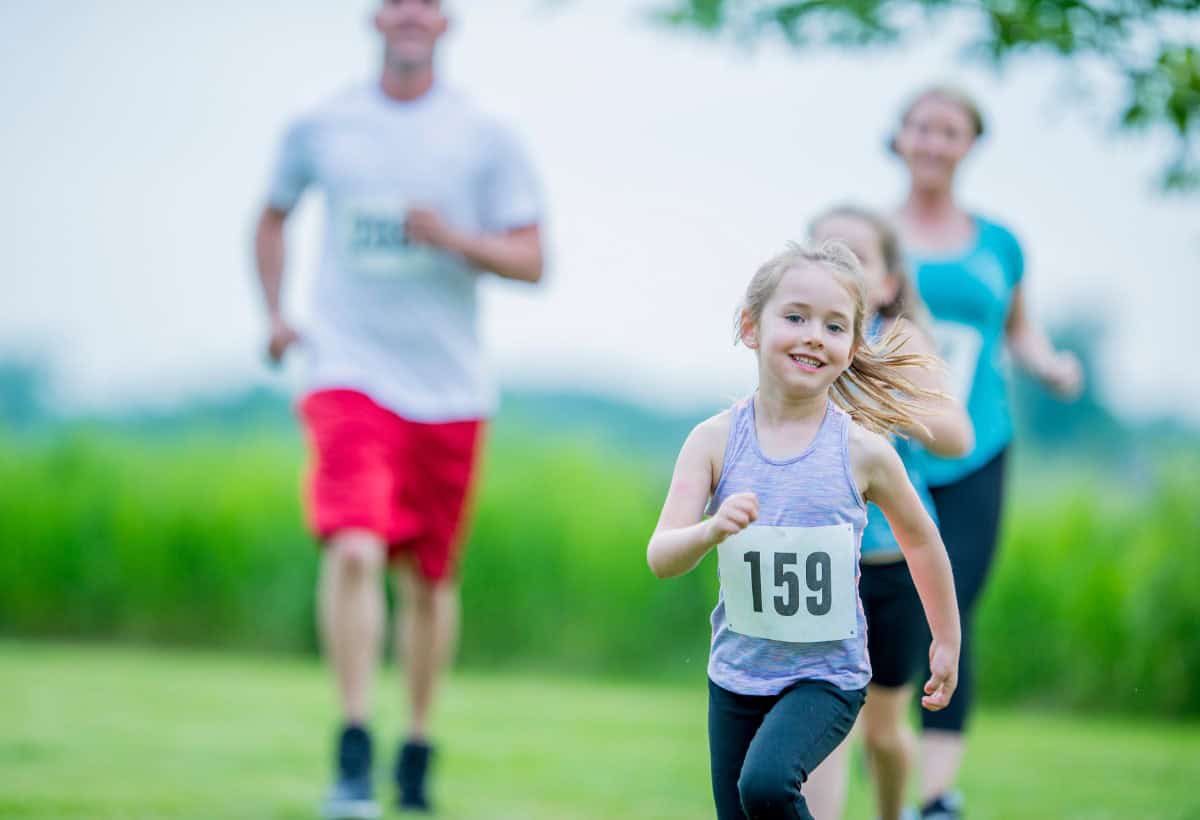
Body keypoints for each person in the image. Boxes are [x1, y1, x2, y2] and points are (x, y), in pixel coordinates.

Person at [253, 1, 544, 816]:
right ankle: (352, 749)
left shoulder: (487, 131)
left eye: (427, 3)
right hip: (344, 366)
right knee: (352, 548)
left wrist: (455, 239)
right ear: (375, 18)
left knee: (428, 576)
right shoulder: (322, 122)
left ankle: (415, 747)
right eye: (396, 2)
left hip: (448, 386)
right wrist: (276, 315)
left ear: (445, 22)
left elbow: (533, 257)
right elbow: (272, 217)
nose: (410, 15)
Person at [646, 241, 962, 820]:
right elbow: (662, 556)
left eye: (835, 325)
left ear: (852, 345)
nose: (814, 334)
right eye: (795, 317)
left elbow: (921, 540)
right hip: (736, 675)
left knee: (766, 786)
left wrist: (946, 638)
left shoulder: (864, 451)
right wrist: (711, 530)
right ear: (750, 326)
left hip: (826, 676)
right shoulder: (713, 443)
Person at [889, 85, 1083, 820]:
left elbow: (1019, 328)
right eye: (922, 128)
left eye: (951, 131)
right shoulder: (870, 235)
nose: (935, 142)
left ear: (969, 146)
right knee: (886, 606)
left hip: (977, 450)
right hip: (884, 453)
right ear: (900, 138)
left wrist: (1052, 364)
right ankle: (873, 752)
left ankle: (936, 797)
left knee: (951, 609)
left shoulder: (1000, 242)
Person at [801, 206, 974, 820]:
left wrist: (886, 406)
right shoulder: (797, 339)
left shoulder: (897, 340)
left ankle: (894, 811)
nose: (840, 269)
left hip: (890, 562)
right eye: (826, 254)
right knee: (826, 725)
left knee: (881, 730)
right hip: (820, 563)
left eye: (858, 258)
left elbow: (957, 435)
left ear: (891, 281)